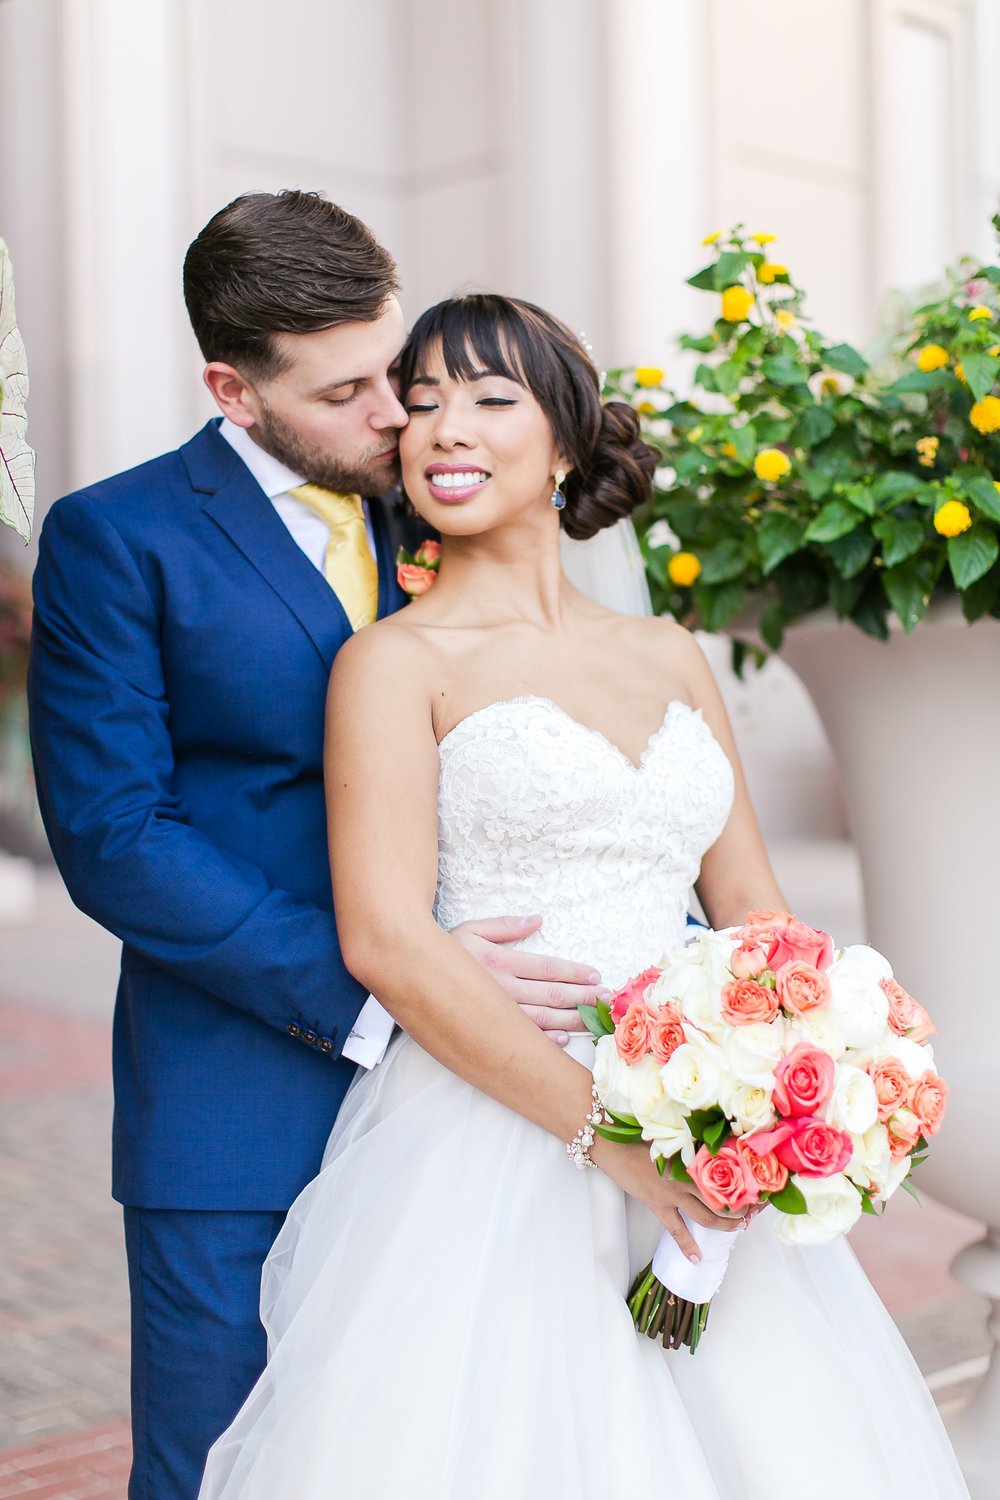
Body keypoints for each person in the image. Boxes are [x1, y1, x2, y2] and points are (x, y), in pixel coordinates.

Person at [198, 293, 969, 1498]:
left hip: (700, 1126)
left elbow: (758, 915)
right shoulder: (394, 664)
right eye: (426, 402)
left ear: (562, 443)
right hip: (493, 1131)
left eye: (490, 399)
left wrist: (805, 1087)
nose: (445, 428)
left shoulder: (666, 651)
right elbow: (388, 939)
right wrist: (606, 1138)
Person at [26, 196, 605, 1500]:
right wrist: (387, 985)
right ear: (234, 390)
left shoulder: (434, 505)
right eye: (346, 393)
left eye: (392, 371)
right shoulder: (118, 539)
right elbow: (117, 836)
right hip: (242, 1097)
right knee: (222, 1465)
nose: (400, 418)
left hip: (481, 1101)